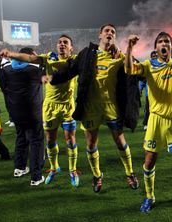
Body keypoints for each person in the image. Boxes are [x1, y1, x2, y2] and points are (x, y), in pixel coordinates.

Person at [50, 24, 139, 193]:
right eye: (107, 31)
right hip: (91, 107)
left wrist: (127, 49)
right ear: (100, 35)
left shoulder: (120, 56)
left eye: (113, 32)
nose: (110, 33)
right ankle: (97, 176)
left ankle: (130, 173)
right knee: (91, 144)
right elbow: (71, 70)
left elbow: (134, 70)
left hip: (112, 107)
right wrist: (52, 78)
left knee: (120, 141)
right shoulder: (87, 53)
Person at [125, 32, 172, 213]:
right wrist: (130, 47)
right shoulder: (148, 65)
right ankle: (149, 196)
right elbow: (128, 69)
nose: (164, 44)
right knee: (149, 161)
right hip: (156, 119)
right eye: (161, 42)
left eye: (167, 41)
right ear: (156, 47)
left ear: (171, 46)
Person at [0, 35, 79, 187]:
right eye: (59, 42)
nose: (61, 44)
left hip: (64, 107)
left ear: (71, 47)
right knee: (47, 140)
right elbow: (29, 59)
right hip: (45, 108)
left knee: (69, 140)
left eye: (65, 42)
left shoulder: (75, 60)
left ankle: (72, 170)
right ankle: (50, 170)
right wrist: (12, 54)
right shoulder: (46, 59)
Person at [0, 47, 45, 185]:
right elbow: (48, 74)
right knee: (36, 141)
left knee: (21, 138)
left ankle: (19, 168)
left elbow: (3, 85)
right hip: (33, 113)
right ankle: (36, 176)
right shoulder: (35, 70)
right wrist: (38, 59)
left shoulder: (6, 69)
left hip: (15, 113)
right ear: (28, 56)